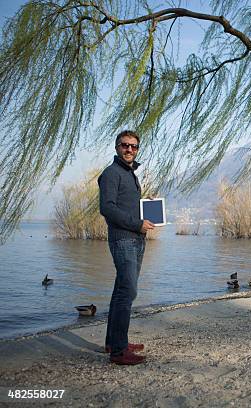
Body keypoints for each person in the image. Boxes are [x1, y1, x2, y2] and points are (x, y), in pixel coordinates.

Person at [98, 130, 155, 365]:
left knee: (121, 289)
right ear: (116, 147)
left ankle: (114, 341)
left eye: (134, 146)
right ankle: (119, 352)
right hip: (123, 239)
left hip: (135, 239)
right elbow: (108, 208)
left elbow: (125, 206)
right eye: (125, 145)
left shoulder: (129, 173)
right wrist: (137, 223)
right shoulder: (111, 173)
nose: (129, 149)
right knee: (127, 291)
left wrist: (146, 209)